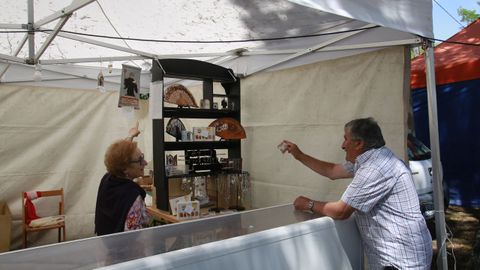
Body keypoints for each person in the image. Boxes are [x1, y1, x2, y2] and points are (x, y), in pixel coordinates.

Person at [283, 117, 432, 270]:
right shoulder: (372, 159)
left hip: (400, 260)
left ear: (359, 143)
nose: (342, 145)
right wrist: (299, 154)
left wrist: (309, 204)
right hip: (399, 256)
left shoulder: (375, 168)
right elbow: (331, 171)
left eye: (345, 139)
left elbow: (341, 211)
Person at [95, 122, 152, 236]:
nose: (145, 163)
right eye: (140, 160)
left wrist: (131, 136)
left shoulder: (108, 178)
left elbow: (120, 156)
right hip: (124, 249)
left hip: (105, 242)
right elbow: (133, 233)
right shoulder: (132, 194)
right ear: (125, 168)